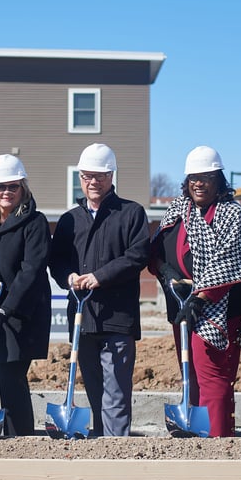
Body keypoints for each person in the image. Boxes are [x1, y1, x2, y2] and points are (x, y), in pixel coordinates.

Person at [149, 146, 241, 437]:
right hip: (182, 308)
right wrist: (165, 269)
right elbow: (156, 248)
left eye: (206, 177)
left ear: (219, 180)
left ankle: (217, 438)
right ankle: (194, 428)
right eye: (193, 177)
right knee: (189, 371)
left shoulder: (232, 215)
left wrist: (201, 297)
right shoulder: (179, 210)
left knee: (212, 374)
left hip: (219, 309)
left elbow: (234, 261)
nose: (198, 183)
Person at [49, 143, 149, 437]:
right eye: (87, 176)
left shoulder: (131, 213)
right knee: (94, 388)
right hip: (83, 316)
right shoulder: (70, 219)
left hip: (118, 318)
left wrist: (99, 277)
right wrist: (68, 277)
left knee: (116, 391)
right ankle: (100, 444)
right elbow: (57, 260)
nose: (93, 182)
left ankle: (116, 448)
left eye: (100, 176)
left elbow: (137, 256)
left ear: (111, 176)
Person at [0, 154, 52, 436]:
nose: (6, 192)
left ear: (23, 188)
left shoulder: (35, 222)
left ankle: (20, 436)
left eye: (13, 187)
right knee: (6, 375)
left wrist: (7, 309)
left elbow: (32, 270)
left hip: (23, 311)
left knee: (12, 375)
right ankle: (13, 432)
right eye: (0, 186)